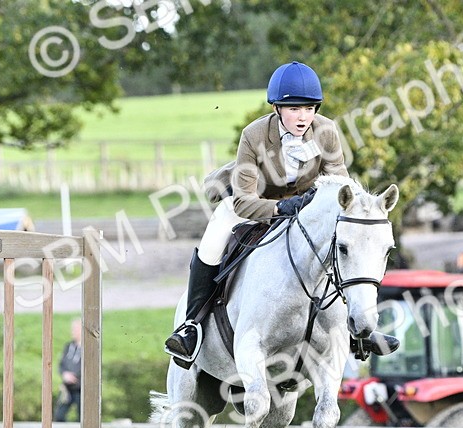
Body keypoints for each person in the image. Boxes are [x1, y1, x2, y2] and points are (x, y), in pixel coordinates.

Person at [164, 61, 399, 362]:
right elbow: (243, 200)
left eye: (309, 109)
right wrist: (278, 207)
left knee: (346, 242)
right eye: (294, 110)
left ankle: (358, 329)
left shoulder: (326, 132)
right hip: (255, 202)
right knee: (214, 237)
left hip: (305, 206)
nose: (303, 117)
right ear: (276, 108)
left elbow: (342, 186)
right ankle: (192, 325)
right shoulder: (254, 135)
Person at [54, 318, 82, 428]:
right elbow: (62, 364)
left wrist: (76, 378)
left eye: (75, 329)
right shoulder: (69, 346)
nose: (73, 332)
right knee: (59, 415)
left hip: (81, 389)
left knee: (81, 417)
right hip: (67, 389)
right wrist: (65, 374)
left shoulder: (88, 347)